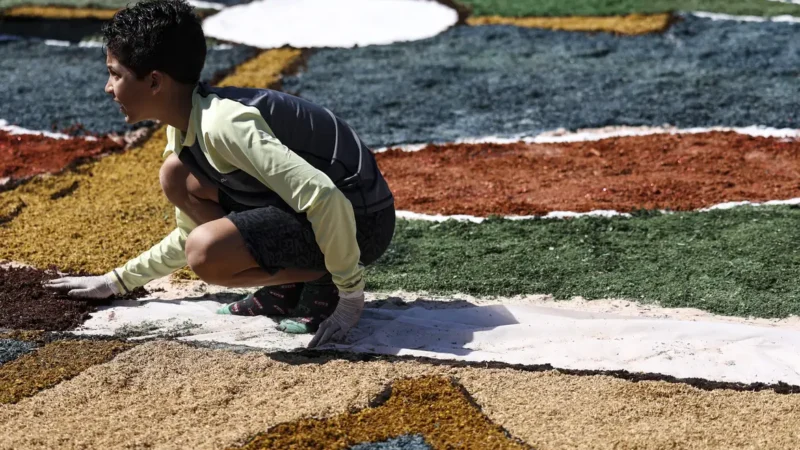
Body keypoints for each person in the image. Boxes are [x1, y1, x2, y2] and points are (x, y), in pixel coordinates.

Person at [43, 0, 395, 348]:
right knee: (176, 177)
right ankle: (288, 283)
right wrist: (116, 281)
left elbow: (325, 196)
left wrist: (350, 296)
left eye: (115, 74)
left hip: (363, 221)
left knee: (207, 255)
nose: (108, 87)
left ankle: (325, 282)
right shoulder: (185, 122)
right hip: (327, 213)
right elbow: (190, 233)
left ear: (154, 82)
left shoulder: (223, 124)